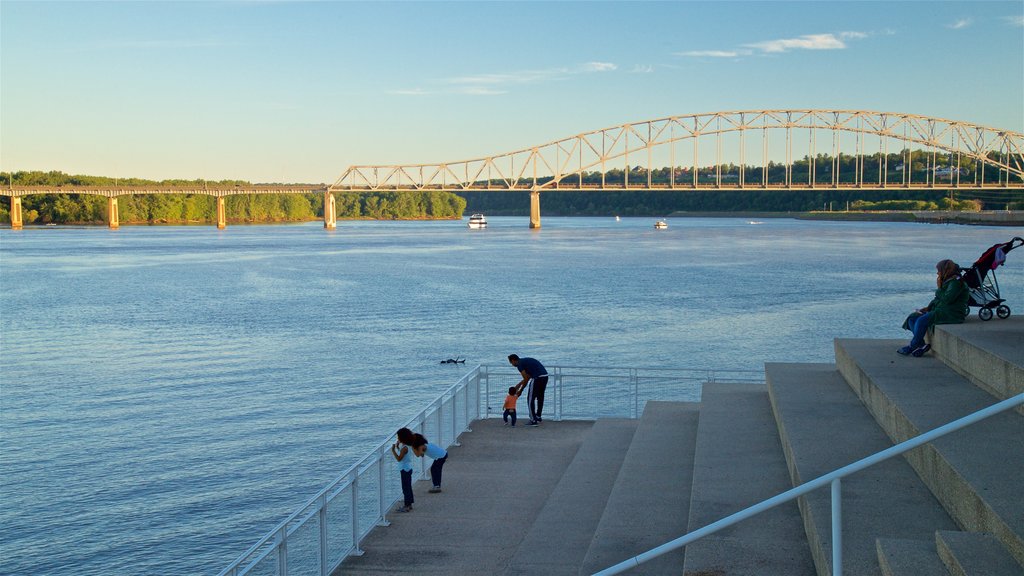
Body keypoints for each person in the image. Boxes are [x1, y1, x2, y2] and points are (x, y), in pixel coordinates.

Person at [898, 259, 969, 357]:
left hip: (951, 313)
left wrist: (939, 289)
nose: (937, 273)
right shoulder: (948, 281)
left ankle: (913, 346)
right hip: (941, 309)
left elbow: (947, 299)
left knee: (922, 320)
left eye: (939, 270)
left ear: (945, 270)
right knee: (912, 318)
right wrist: (928, 308)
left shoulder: (956, 282)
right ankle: (921, 345)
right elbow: (938, 299)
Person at [508, 354, 548, 426]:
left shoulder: (519, 365)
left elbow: (526, 378)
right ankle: (538, 416)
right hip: (545, 376)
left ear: (513, 360)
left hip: (537, 378)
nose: (512, 365)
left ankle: (533, 420)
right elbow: (528, 376)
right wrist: (518, 385)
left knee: (530, 399)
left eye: (511, 363)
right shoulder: (525, 361)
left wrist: (520, 391)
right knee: (540, 397)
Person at [391, 428, 415, 512]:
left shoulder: (404, 448)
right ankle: (409, 504)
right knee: (408, 486)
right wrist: (398, 447)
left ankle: (407, 506)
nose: (397, 439)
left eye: (398, 437)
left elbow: (399, 458)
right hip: (408, 468)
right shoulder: (406, 446)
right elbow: (403, 455)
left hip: (405, 469)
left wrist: (393, 450)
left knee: (405, 488)